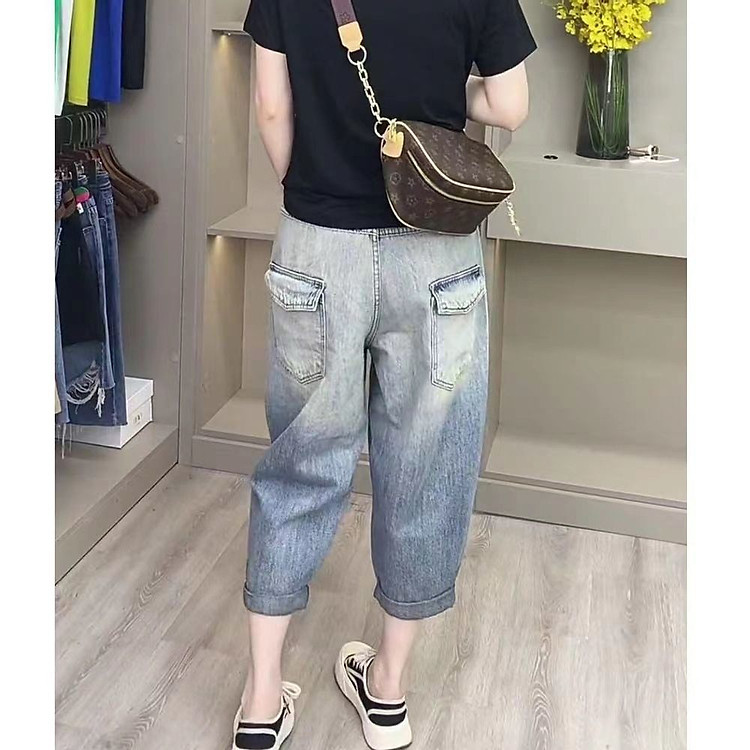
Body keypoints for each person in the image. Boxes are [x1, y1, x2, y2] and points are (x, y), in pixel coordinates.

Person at [233, 2, 536, 749]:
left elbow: (271, 105)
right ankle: (389, 694)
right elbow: (510, 107)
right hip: (436, 251)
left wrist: (309, 195)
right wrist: (440, 85)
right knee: (428, 471)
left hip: (318, 243)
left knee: (299, 466)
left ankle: (262, 703)